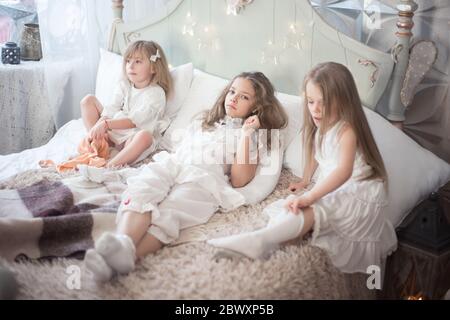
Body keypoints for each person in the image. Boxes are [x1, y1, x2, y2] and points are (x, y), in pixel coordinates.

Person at [83, 71, 288, 282]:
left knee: (171, 210)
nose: (233, 98)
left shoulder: (251, 137)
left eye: (244, 96)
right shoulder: (206, 121)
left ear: (256, 106)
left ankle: (124, 260)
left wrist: (246, 134)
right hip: (174, 164)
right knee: (144, 188)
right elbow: (180, 149)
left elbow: (239, 180)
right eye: (232, 91)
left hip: (203, 178)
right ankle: (122, 241)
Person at [208, 62, 397, 273]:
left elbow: (343, 172)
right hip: (339, 184)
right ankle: (273, 238)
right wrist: (306, 180)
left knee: (311, 207)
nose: (315, 109)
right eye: (310, 101)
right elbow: (318, 154)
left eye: (323, 103)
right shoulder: (323, 126)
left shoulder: (347, 130)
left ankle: (260, 240)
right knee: (294, 207)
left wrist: (310, 195)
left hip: (359, 190)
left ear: (343, 101)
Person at [80, 40, 172, 167]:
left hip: (133, 136)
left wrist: (106, 124)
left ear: (153, 68)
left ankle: (110, 165)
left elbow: (134, 121)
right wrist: (100, 125)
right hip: (115, 131)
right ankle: (98, 144)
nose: (130, 66)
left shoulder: (156, 93)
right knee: (88, 101)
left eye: (138, 61)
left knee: (145, 137)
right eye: (128, 61)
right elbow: (112, 108)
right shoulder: (125, 85)